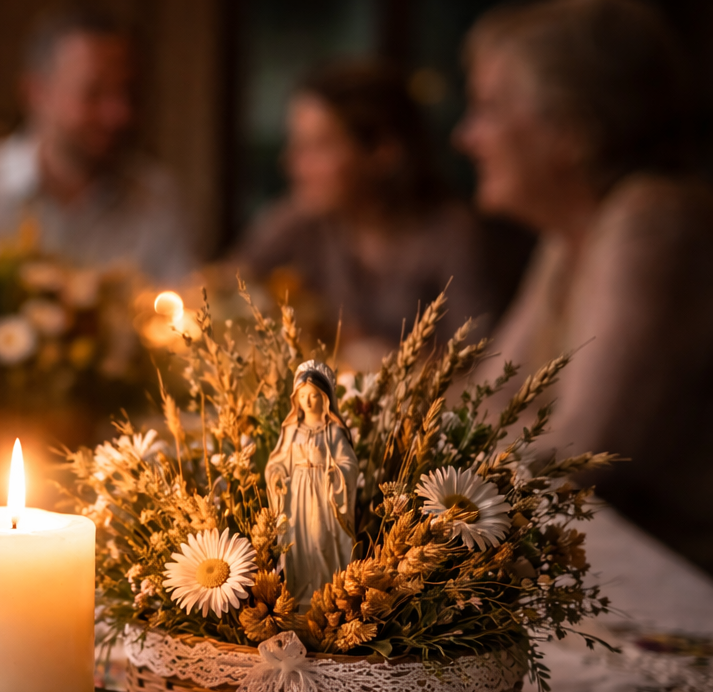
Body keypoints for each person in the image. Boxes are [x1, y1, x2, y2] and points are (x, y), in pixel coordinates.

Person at [456, 0, 713, 572]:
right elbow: (491, 397)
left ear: (569, 133)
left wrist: (411, 479)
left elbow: (585, 452)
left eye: (488, 108)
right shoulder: (573, 230)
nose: (464, 136)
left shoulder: (652, 221)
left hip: (685, 585)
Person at [0, 5, 192, 284]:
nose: (119, 113)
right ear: (36, 93)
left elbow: (185, 317)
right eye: (94, 93)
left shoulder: (154, 196)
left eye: (127, 92)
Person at [233, 60, 491, 369]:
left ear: (384, 151)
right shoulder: (304, 218)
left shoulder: (452, 234)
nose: (292, 163)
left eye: (319, 146)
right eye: (296, 144)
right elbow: (226, 285)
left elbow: (479, 365)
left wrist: (387, 359)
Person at [266, 360, 357, 604]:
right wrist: (276, 478)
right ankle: (299, 595)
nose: (307, 401)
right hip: (295, 496)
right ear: (296, 397)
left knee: (320, 541)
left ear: (325, 397)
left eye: (314, 395)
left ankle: (325, 594)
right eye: (303, 395)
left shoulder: (333, 432)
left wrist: (336, 474)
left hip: (323, 496)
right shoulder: (291, 431)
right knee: (297, 543)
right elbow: (277, 462)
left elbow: (349, 464)